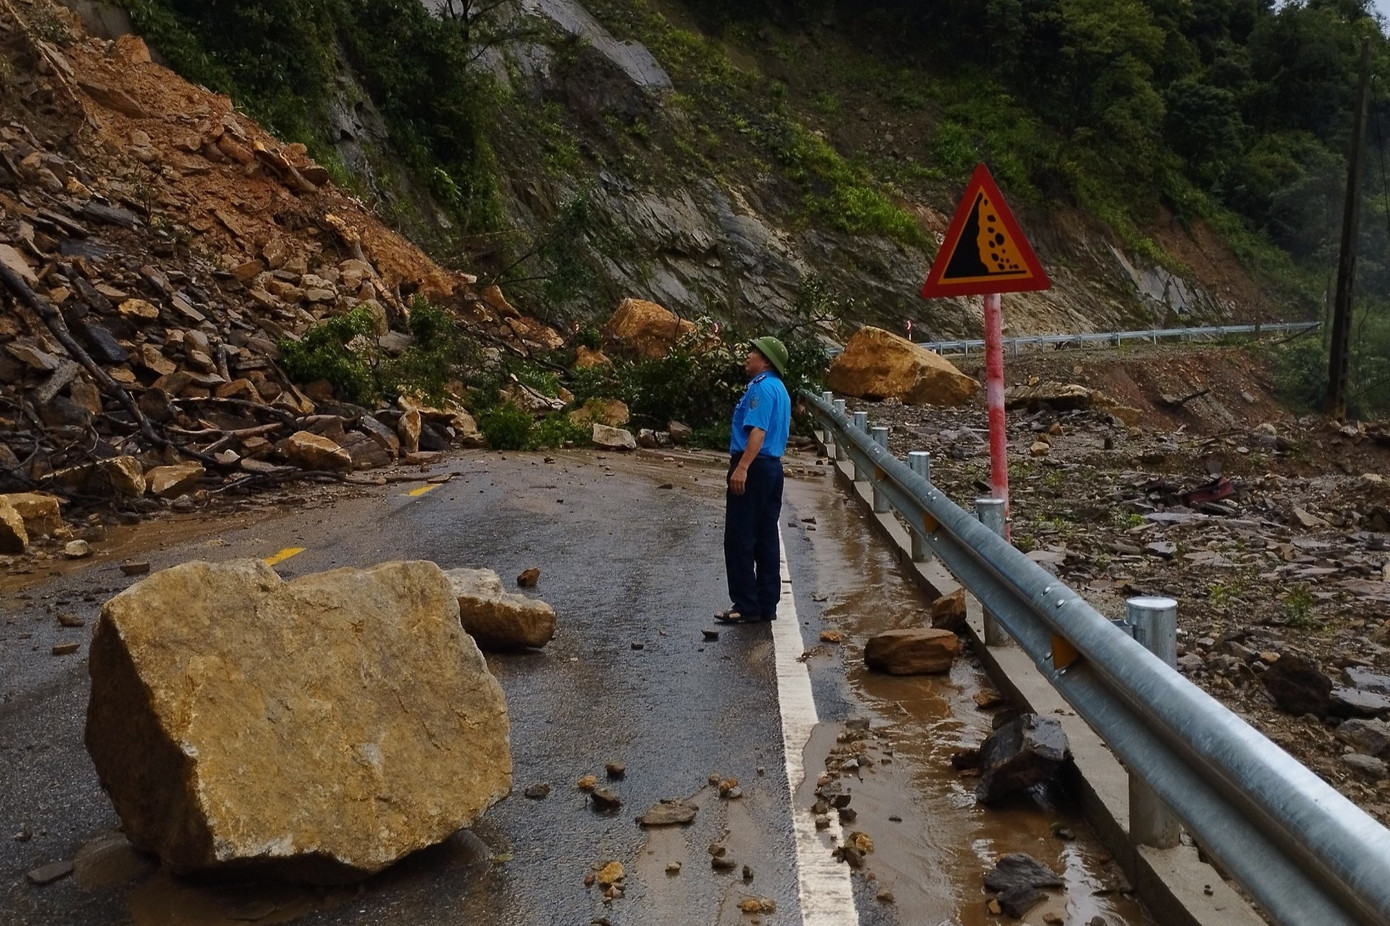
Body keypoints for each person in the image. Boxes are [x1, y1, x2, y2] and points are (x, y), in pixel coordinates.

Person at [716, 336, 792, 624]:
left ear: (766, 361)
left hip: (755, 466)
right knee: (766, 536)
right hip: (772, 468)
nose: (748, 356)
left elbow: (757, 433)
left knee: (740, 536)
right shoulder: (781, 389)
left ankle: (745, 604)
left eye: (754, 352)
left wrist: (742, 467)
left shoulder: (760, 389)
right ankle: (766, 604)